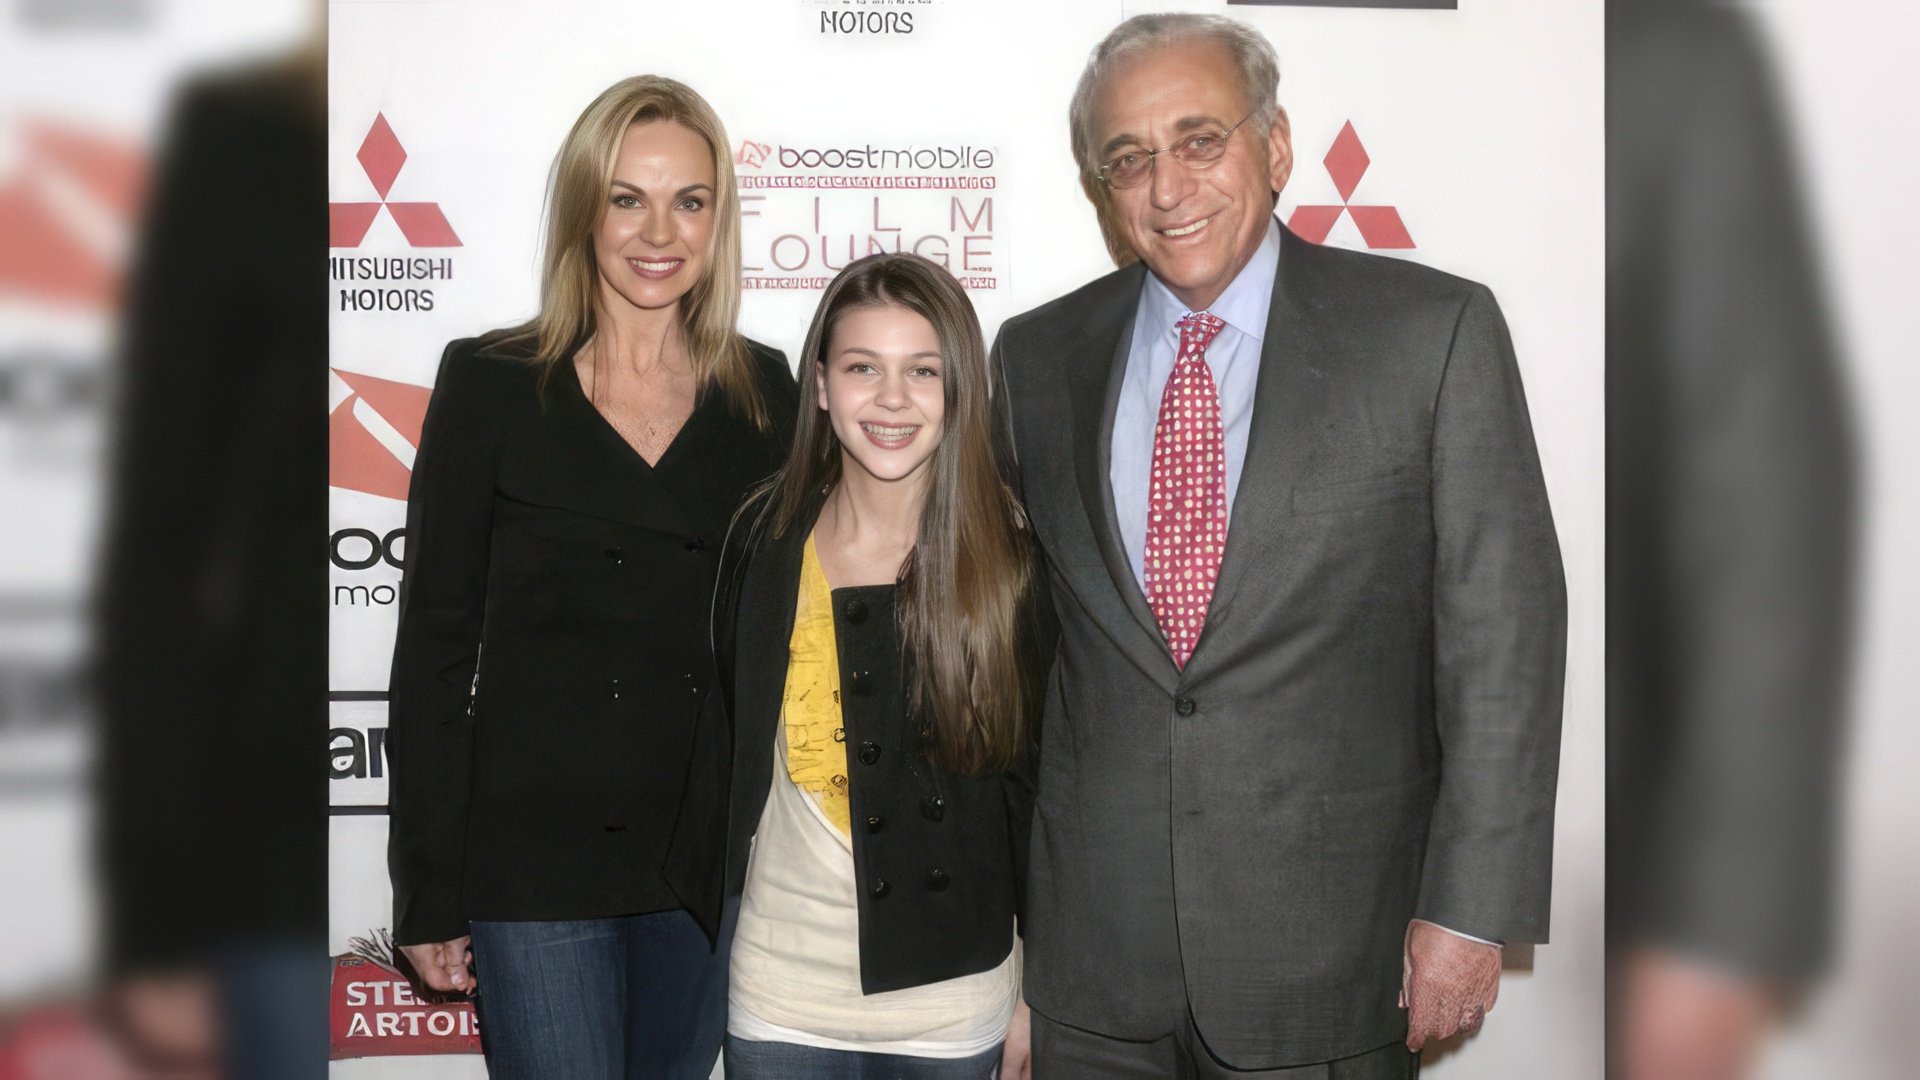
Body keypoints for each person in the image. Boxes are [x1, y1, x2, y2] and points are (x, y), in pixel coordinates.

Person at [993, 13, 1568, 1078]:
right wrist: (1013, 953)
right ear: (1103, 189)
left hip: (1330, 965)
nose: (1168, 189)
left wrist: (1471, 913)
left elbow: (1505, 641)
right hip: (1092, 977)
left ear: (1278, 145)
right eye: (1130, 159)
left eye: (1200, 139)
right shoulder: (1034, 360)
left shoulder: (1430, 336)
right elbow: (1025, 666)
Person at [383, 75, 796, 1079]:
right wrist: (428, 889)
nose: (659, 230)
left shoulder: (767, 395)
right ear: (582, 210)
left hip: (701, 861)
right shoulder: (489, 383)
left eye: (689, 200)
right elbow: (435, 652)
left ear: (717, 219)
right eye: (626, 197)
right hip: (536, 860)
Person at [706, 253, 1049, 1079]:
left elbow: (1041, 796)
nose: (892, 399)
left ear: (958, 389)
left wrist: (1042, 990)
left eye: (922, 371)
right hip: (780, 988)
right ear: (820, 385)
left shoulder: (1011, 563)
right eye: (863, 367)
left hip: (953, 999)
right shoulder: (762, 536)